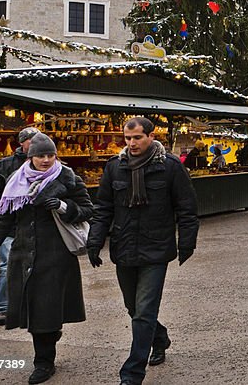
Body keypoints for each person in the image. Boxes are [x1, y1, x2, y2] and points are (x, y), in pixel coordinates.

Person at [0, 133, 93, 385]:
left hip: (56, 256)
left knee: (45, 311)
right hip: (24, 254)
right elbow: (1, 219)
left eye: (50, 155)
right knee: (36, 310)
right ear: (30, 157)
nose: (46, 160)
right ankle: (49, 340)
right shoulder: (16, 182)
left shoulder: (68, 178)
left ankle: (43, 363)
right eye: (40, 155)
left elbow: (89, 209)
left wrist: (62, 206)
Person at [86, 117, 199, 385]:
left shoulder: (169, 166)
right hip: (124, 247)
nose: (132, 143)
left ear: (150, 136)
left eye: (137, 138)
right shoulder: (115, 167)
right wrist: (94, 241)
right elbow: (103, 208)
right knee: (133, 308)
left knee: (144, 310)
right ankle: (159, 338)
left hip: (156, 249)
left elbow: (187, 208)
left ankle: (132, 374)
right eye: (128, 138)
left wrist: (187, 243)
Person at [0, 126, 39, 326]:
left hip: (36, 226)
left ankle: (31, 307)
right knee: (7, 266)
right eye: (31, 140)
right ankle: (4, 308)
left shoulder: (47, 164)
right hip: (10, 226)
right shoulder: (5, 165)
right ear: (22, 143)